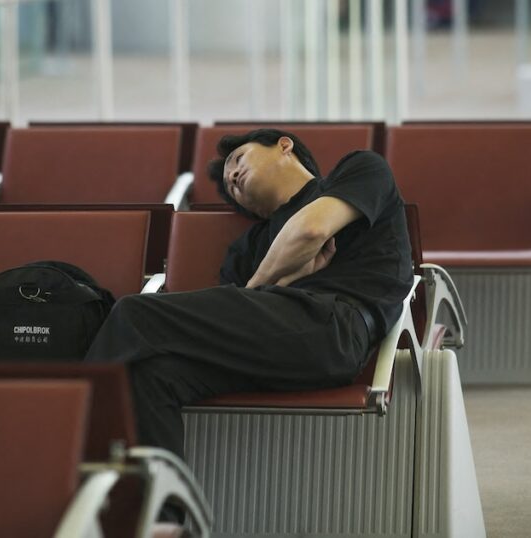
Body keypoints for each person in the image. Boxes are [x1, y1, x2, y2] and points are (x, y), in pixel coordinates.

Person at [84, 128, 413, 462]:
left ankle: (70, 453)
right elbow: (237, 319)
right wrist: (273, 279)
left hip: (337, 327)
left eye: (238, 159)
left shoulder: (359, 170)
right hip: (275, 349)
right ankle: (160, 510)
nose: (234, 176)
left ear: (285, 146)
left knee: (134, 314)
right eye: (229, 185)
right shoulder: (248, 248)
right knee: (152, 375)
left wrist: (261, 286)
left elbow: (310, 231)